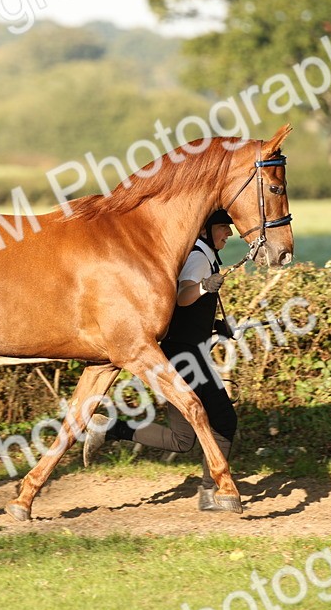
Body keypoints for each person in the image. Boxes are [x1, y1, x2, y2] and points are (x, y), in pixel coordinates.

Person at [83, 209, 238, 512]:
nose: (229, 234)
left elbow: (184, 310)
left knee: (221, 420)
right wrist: (206, 286)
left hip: (192, 352)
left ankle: (211, 491)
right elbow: (183, 296)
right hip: (183, 357)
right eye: (223, 227)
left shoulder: (204, 254)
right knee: (185, 439)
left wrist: (214, 325)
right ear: (205, 231)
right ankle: (110, 429)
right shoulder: (199, 256)